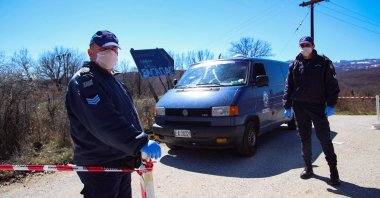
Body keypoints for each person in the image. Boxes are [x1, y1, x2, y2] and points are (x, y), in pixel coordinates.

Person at [65, 30, 162, 197]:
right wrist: (138, 142)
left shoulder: (112, 79)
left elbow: (126, 116)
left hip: (120, 158)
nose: (111, 53)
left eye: (114, 49)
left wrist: (135, 146)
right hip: (100, 165)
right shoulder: (85, 81)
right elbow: (104, 122)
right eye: (104, 49)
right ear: (90, 52)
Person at [283, 36, 341, 186]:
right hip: (299, 107)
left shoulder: (323, 63)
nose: (304, 47)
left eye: (307, 44)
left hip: (317, 106)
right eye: (301, 45)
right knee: (304, 138)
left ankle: (333, 171)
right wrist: (287, 105)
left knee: (324, 138)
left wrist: (331, 104)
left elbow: (332, 85)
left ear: (313, 45)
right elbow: (289, 87)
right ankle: (308, 168)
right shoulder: (294, 64)